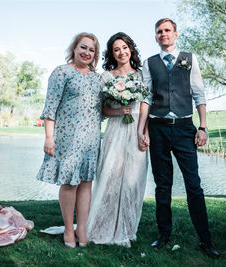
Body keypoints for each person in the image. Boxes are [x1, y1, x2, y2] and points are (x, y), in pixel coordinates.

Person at [137, 18, 220, 258]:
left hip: (185, 128)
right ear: (156, 37)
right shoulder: (149, 63)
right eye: (159, 32)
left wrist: (203, 127)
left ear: (175, 34)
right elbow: (146, 98)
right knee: (163, 185)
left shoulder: (189, 59)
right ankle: (164, 235)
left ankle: (206, 240)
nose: (163, 34)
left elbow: (199, 94)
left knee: (194, 184)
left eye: (167, 30)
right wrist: (142, 130)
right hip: (158, 128)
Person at [36, 32, 102, 248]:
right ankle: (68, 230)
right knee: (69, 183)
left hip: (91, 140)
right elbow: (50, 107)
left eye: (91, 50)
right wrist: (49, 138)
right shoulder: (62, 72)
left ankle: (81, 229)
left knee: (85, 183)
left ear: (95, 54)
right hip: (67, 139)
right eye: (83, 47)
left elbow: (101, 110)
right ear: (74, 48)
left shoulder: (97, 78)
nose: (87, 52)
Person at [86, 32, 149, 247]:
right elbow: (100, 109)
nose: (121, 52)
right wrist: (120, 111)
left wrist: (144, 132)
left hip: (137, 132)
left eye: (124, 47)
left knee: (133, 181)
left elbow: (145, 106)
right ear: (111, 54)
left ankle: (127, 227)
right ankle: (101, 226)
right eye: (116, 49)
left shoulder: (141, 75)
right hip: (116, 131)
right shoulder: (106, 77)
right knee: (110, 178)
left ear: (130, 49)